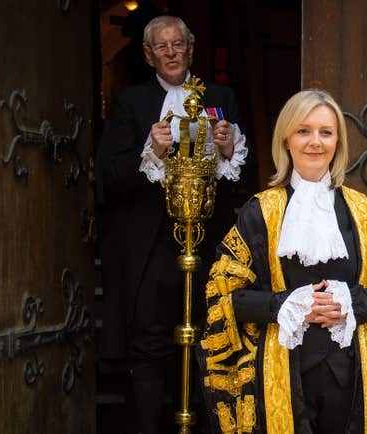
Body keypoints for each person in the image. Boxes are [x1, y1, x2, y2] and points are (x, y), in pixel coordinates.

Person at [199, 90, 367, 433]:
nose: (315, 142)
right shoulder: (259, 212)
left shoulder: (364, 213)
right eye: (304, 131)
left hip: (353, 380)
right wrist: (285, 305)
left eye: (326, 132)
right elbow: (225, 296)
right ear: (286, 139)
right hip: (282, 378)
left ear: (338, 141)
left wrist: (354, 302)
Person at [95, 15, 251, 434]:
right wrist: (154, 153)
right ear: (148, 55)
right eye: (161, 47)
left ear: (190, 49)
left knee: (209, 339)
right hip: (151, 245)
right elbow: (109, 177)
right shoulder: (131, 103)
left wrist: (229, 149)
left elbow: (245, 179)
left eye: (177, 45)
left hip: (208, 240)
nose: (170, 53)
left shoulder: (221, 98)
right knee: (149, 343)